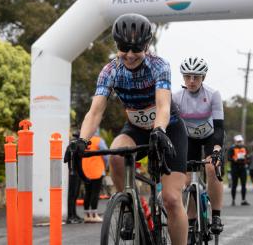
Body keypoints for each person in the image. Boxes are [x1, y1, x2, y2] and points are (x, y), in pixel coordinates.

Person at [76, 13, 188, 244]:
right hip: (136, 128)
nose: (129, 54)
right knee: (117, 154)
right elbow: (95, 111)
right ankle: (129, 207)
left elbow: (163, 105)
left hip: (169, 129)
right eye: (123, 47)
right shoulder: (111, 70)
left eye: (135, 49)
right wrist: (81, 140)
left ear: (147, 45)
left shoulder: (159, 66)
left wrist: (159, 129)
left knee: (171, 198)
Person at [172, 56, 225, 237]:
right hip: (189, 138)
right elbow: (174, 126)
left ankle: (216, 215)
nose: (192, 81)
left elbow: (219, 127)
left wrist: (217, 149)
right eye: (187, 76)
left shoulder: (213, 94)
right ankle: (192, 220)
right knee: (187, 181)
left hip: (210, 137)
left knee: (212, 167)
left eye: (196, 77)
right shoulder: (177, 97)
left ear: (203, 77)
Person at [82, 129, 108, 223]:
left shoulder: (83, 141)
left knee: (87, 192)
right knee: (95, 193)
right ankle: (94, 215)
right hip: (97, 170)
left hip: (85, 170)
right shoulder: (99, 140)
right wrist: (106, 166)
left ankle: (86, 215)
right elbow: (106, 155)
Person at [64, 131, 83, 224]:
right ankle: (70, 216)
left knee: (74, 195)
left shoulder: (70, 145)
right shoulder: (76, 145)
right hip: (75, 172)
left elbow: (65, 159)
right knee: (72, 195)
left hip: (74, 171)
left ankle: (73, 214)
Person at [227, 134, 250, 206]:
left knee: (243, 184)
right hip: (235, 168)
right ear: (235, 141)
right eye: (238, 141)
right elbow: (229, 158)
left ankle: (243, 200)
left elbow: (248, 156)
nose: (240, 142)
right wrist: (234, 159)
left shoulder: (245, 148)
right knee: (234, 185)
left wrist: (247, 159)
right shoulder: (231, 148)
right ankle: (233, 200)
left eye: (241, 141)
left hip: (243, 168)